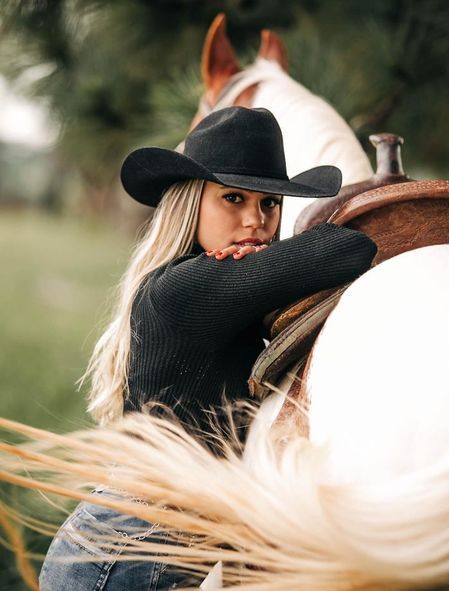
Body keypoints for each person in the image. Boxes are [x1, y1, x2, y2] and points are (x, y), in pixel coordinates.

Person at [38, 106, 377, 590]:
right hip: (125, 556)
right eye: (233, 199)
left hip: (140, 547)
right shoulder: (186, 288)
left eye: (269, 204)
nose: (254, 221)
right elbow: (349, 249)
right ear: (189, 203)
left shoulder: (211, 287)